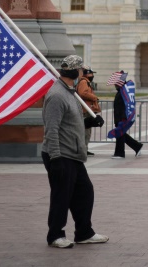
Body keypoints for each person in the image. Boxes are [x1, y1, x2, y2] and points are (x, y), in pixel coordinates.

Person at [41, 54, 108, 249]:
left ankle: (84, 232)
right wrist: (55, 158)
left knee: (85, 192)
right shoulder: (57, 95)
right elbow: (51, 129)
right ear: (74, 71)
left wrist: (89, 122)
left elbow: (70, 123)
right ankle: (55, 235)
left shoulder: (70, 92)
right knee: (61, 196)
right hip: (61, 154)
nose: (82, 74)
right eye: (80, 70)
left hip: (73, 154)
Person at [111, 78, 142, 159]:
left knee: (120, 134)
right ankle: (137, 146)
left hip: (121, 117)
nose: (115, 85)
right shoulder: (122, 91)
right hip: (119, 117)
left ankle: (120, 153)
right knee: (121, 134)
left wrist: (123, 118)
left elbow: (125, 106)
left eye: (116, 83)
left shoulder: (123, 92)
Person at [76, 66, 101, 156]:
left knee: (87, 131)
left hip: (87, 109)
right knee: (85, 131)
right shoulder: (83, 82)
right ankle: (83, 149)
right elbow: (83, 93)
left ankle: (85, 148)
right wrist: (94, 97)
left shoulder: (86, 82)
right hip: (85, 109)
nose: (92, 75)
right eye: (91, 74)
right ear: (87, 74)